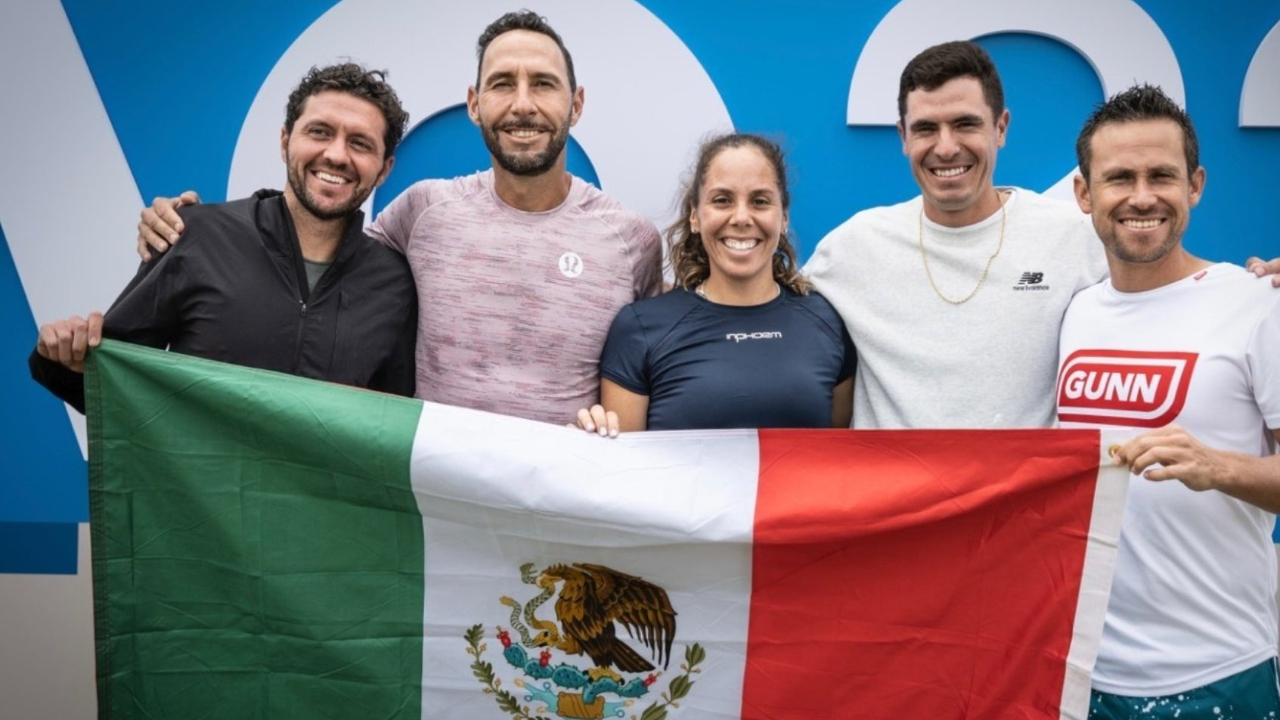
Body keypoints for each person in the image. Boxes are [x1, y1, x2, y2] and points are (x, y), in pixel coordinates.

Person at [135, 11, 663, 425]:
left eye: (543, 84)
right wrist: (194, 232)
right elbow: (313, 246)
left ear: (577, 104)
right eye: (503, 84)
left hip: (564, 519)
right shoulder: (422, 211)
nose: (522, 104)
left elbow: (666, 366)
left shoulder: (632, 240)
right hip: (435, 517)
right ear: (475, 104)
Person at [805, 41, 1280, 429]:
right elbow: (764, 303)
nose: (946, 147)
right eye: (926, 128)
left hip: (1028, 535)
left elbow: (1174, 290)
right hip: (900, 533)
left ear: (1001, 128)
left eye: (966, 124)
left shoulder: (1076, 237)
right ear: (903, 137)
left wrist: (1259, 283)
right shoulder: (851, 247)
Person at [1058, 84, 1280, 718]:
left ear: (1196, 185)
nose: (1142, 196)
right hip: (1083, 673)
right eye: (1119, 177)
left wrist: (1221, 468)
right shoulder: (1074, 312)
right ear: (1083, 194)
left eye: (1162, 175)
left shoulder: (1257, 304)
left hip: (1220, 672)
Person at [30, 63, 417, 409]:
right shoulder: (195, 235)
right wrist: (65, 357)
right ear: (285, 142)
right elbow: (111, 382)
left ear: (384, 170)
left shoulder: (394, 285)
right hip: (196, 491)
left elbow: (393, 434)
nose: (336, 155)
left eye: (360, 143)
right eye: (320, 132)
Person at [576, 133, 855, 435]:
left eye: (760, 201)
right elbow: (623, 468)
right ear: (695, 216)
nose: (741, 217)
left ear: (783, 218)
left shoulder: (827, 322)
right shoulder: (640, 329)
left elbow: (835, 453)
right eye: (722, 200)